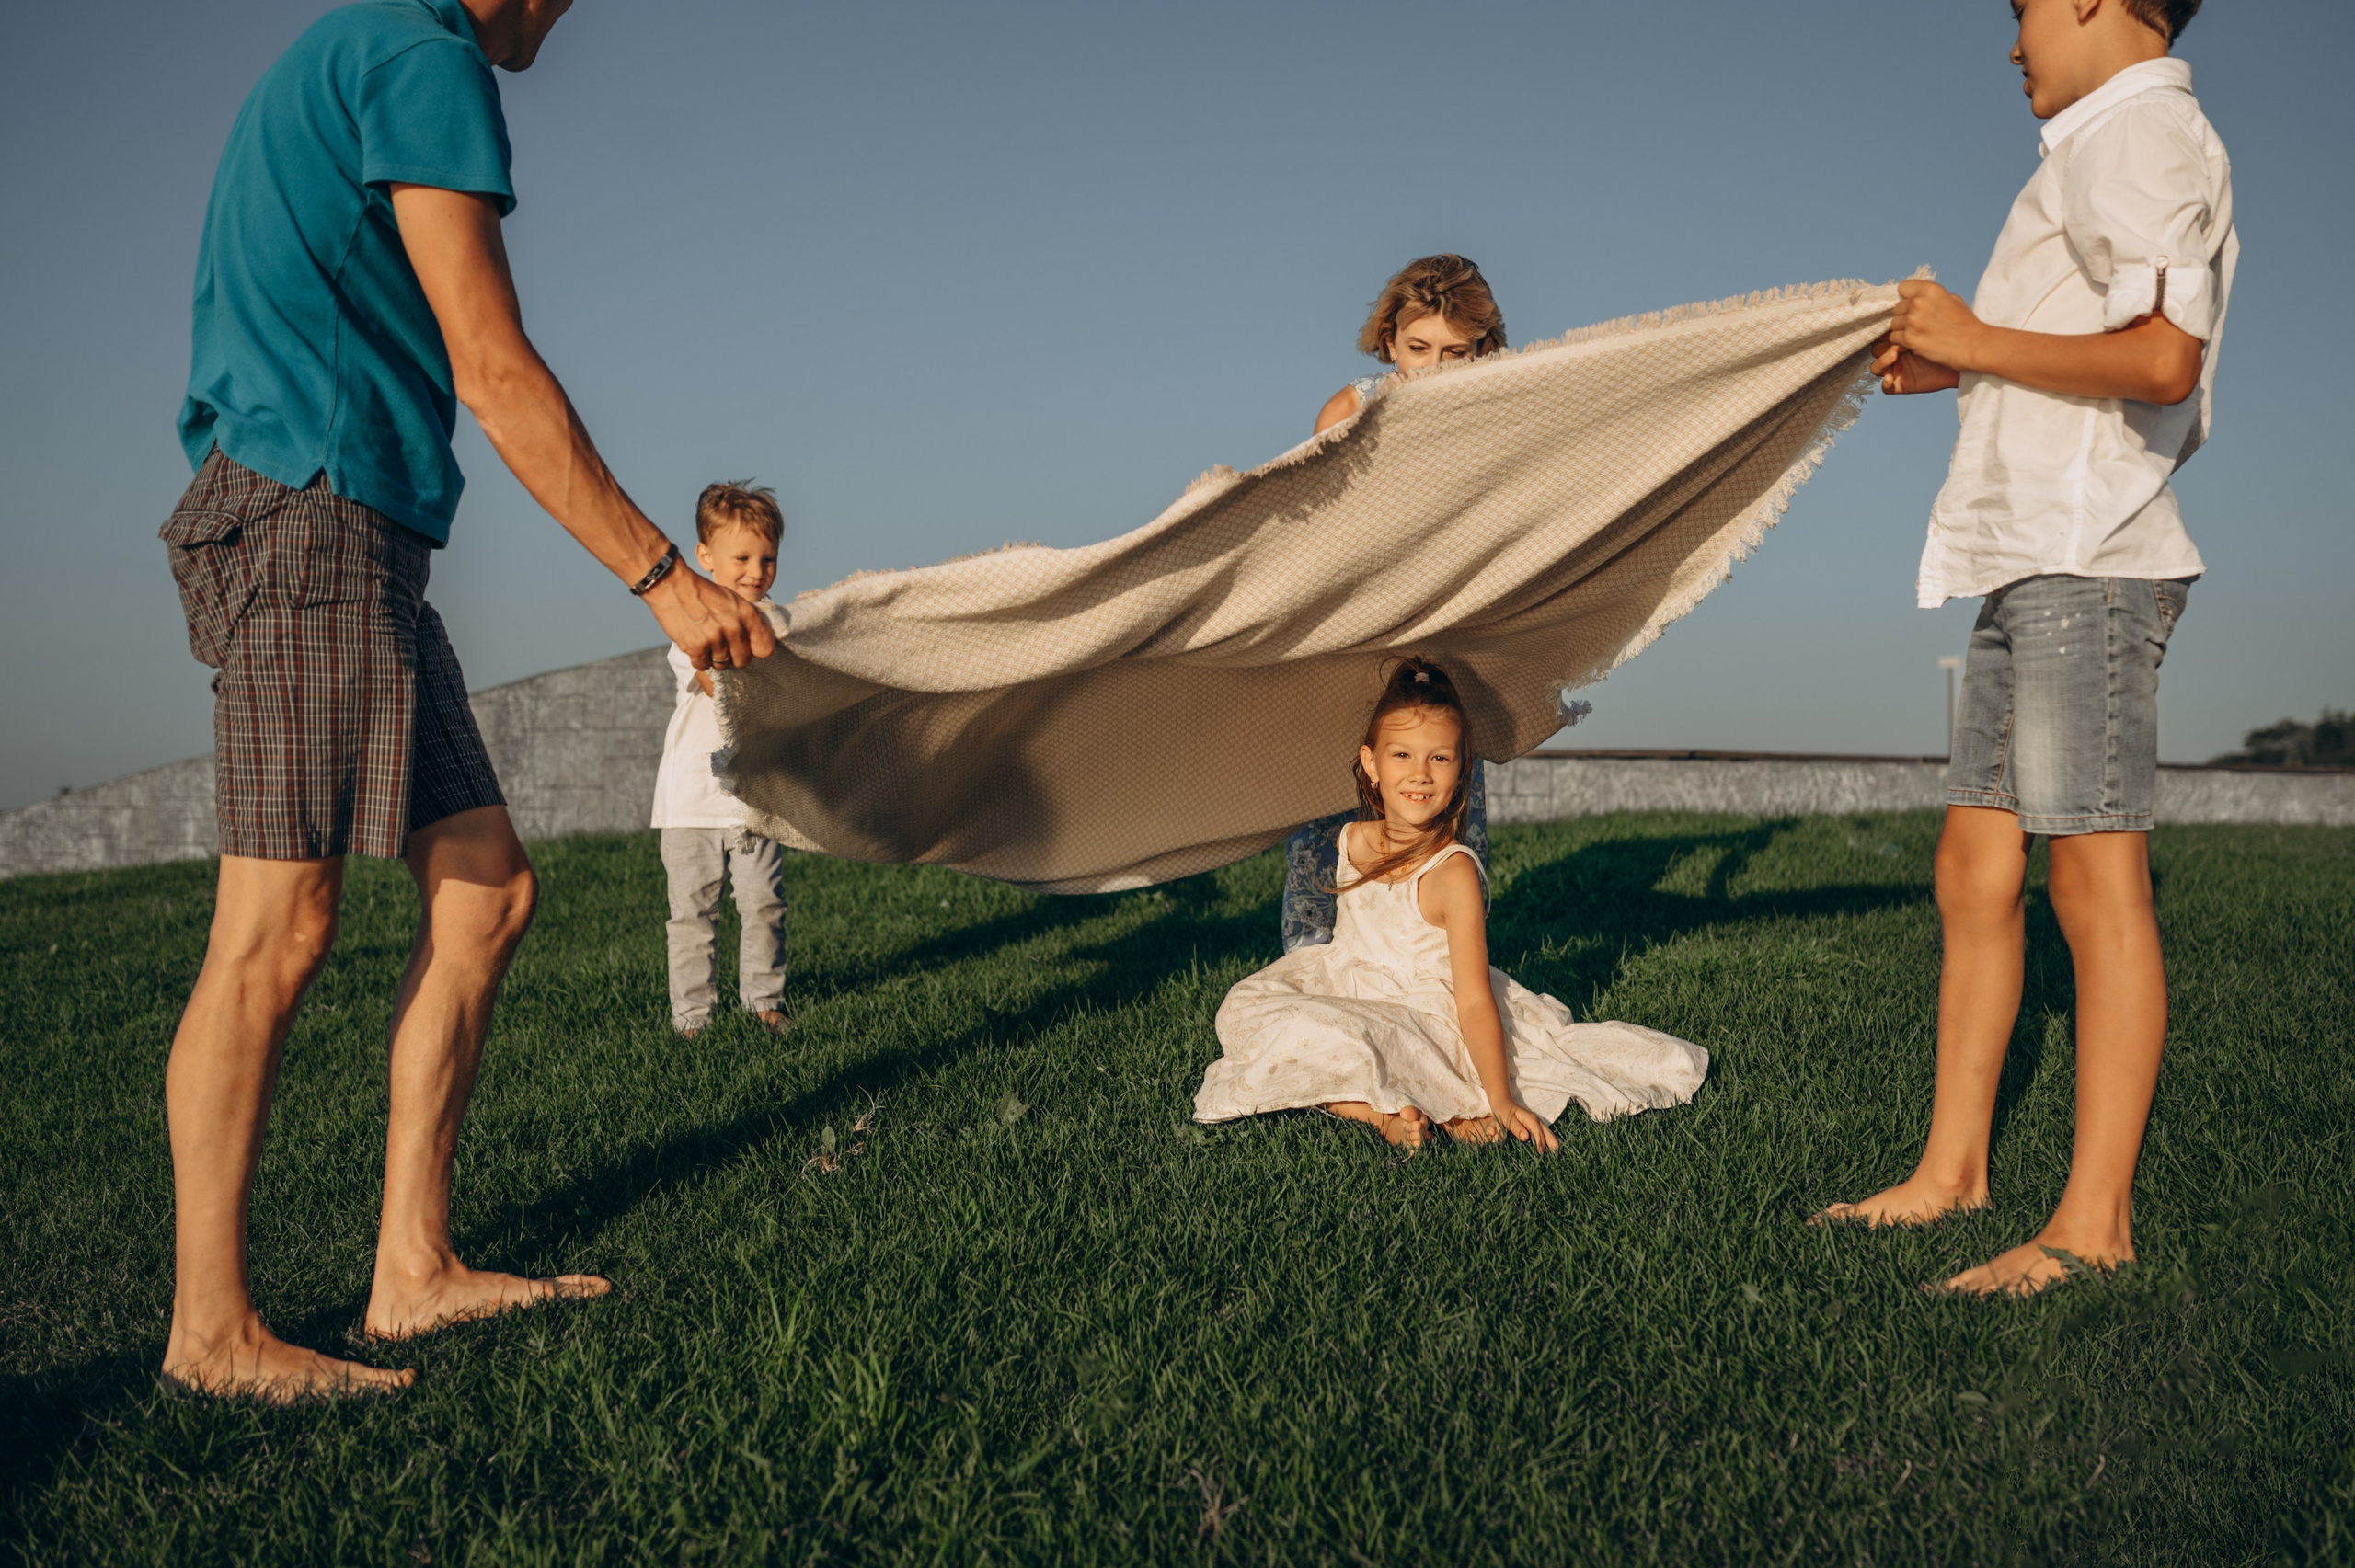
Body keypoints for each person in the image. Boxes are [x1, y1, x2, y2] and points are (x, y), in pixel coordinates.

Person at [158, 0, 776, 1401]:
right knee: (277, 924)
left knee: (485, 890)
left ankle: (412, 1271)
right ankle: (209, 1335)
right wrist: (664, 577)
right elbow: (493, 368)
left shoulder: (366, 50)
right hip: (310, 512)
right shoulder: (420, 56)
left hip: (357, 527)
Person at [1818, 0, 2233, 1296]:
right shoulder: (2088, 147)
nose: (2012, 43)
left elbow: (2166, 356)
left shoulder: (2150, 135)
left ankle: (2091, 1225)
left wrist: (1971, 341)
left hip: (2090, 560)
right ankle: (1954, 1171)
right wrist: (1959, 369)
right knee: (1973, 868)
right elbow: (2093, 343)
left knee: (2092, 882)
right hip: (2025, 559)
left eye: (2025, 10)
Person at [1196, 658, 1708, 1150]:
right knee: (1246, 1011)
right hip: (1350, 983)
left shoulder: (1452, 872)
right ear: (1371, 764)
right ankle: (1379, 1113)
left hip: (1426, 1009)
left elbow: (1472, 997)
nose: (1420, 773)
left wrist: (1501, 1098)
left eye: (1439, 758)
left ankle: (1415, 1110)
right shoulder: (1353, 840)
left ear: (1462, 771)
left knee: (1359, 1039)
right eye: (1402, 755)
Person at [1280, 257, 1508, 954]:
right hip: (1350, 636)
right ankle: (1316, 966)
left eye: (1455, 353)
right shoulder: (1352, 410)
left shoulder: (1501, 415)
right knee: (1327, 810)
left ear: (1483, 351)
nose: (1434, 369)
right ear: (1389, 342)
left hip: (1445, 637)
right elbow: (1299, 530)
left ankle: (1440, 971)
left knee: (1439, 799)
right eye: (1418, 350)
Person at [653, 483, 794, 1040]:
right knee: (692, 914)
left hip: (756, 798)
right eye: (742, 558)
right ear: (705, 556)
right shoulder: (691, 623)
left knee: (763, 903)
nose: (756, 571)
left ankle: (765, 1001)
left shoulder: (779, 628)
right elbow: (721, 685)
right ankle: (693, 1020)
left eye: (768, 559)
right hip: (691, 801)